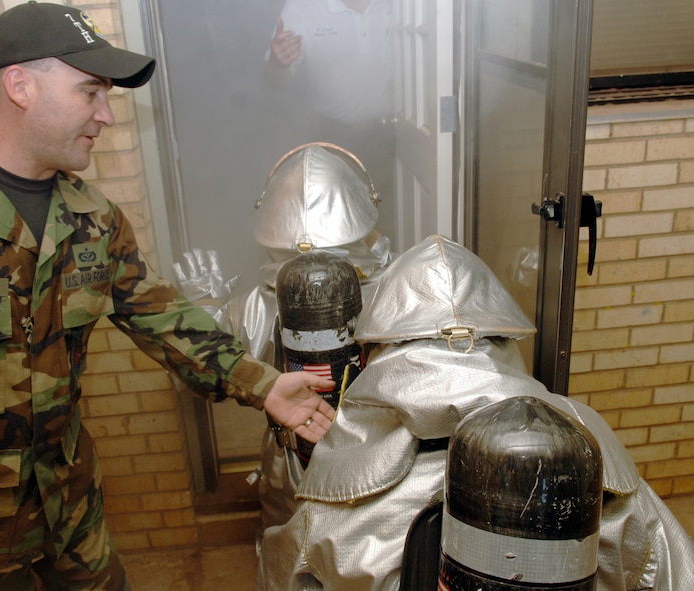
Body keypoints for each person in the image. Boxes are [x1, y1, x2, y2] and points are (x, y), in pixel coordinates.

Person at [0, 3, 337, 590]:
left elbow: (164, 319)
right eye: (89, 92)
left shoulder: (93, 218)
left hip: (70, 510)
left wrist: (262, 383)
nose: (106, 115)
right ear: (20, 86)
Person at [256, 235, 694, 591]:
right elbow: (672, 569)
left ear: (379, 351)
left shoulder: (333, 498)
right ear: (503, 343)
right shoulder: (603, 479)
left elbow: (281, 576)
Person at [174, 142, 394, 552]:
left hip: (301, 465)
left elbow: (197, 379)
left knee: (292, 557)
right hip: (371, 463)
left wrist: (204, 313)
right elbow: (202, 378)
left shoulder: (256, 306)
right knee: (365, 557)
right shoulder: (400, 294)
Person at [263, 0, 396, 239]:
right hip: (335, 139)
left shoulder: (405, 5)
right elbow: (275, 81)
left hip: (395, 135)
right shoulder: (303, 7)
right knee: (339, 231)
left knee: (393, 226)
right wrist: (277, 62)